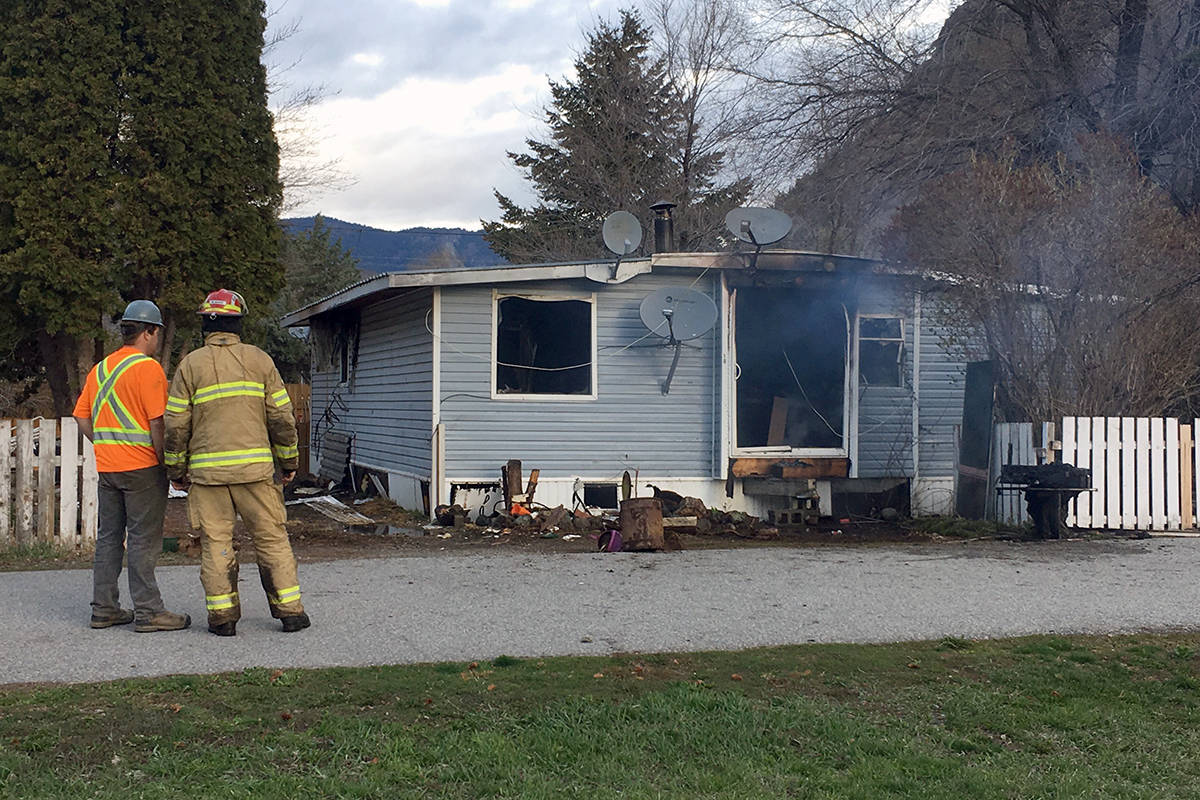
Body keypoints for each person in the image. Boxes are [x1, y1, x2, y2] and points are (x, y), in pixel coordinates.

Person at [164, 289, 309, 637]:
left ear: (205, 324)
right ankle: (290, 613)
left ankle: (223, 619)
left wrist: (176, 470)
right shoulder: (260, 361)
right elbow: (282, 417)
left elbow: (175, 424)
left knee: (216, 544)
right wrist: (289, 461)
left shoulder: (190, 365)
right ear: (239, 322)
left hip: (208, 476)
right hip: (256, 474)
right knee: (272, 539)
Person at [73, 300, 192, 632]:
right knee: (142, 539)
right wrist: (166, 464)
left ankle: (104, 608)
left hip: (109, 467)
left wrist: (104, 443)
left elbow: (81, 416)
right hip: (141, 468)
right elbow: (158, 424)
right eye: (157, 333)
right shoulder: (149, 369)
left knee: (109, 538)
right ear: (149, 332)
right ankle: (149, 611)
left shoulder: (100, 369)